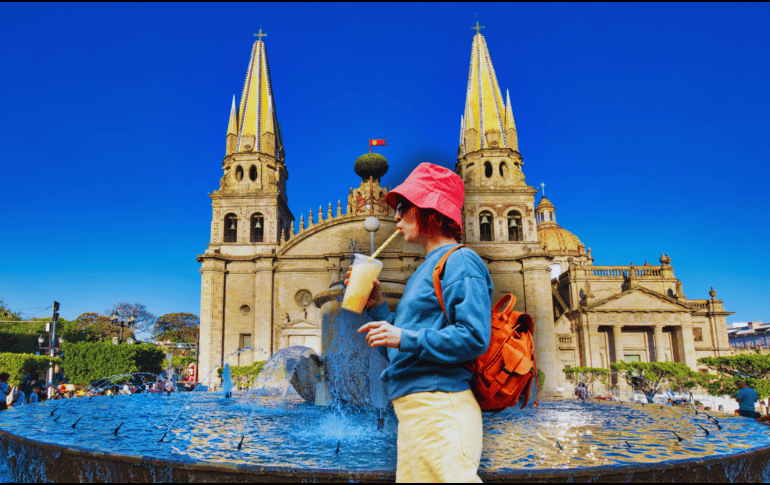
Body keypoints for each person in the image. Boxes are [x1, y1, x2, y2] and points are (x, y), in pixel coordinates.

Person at [354, 163, 493, 483]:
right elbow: (403, 350)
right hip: (415, 411)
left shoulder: (460, 260)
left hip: (441, 406)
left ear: (431, 211)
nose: (396, 217)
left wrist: (403, 336)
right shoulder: (424, 270)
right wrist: (376, 308)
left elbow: (473, 336)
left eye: (403, 208)